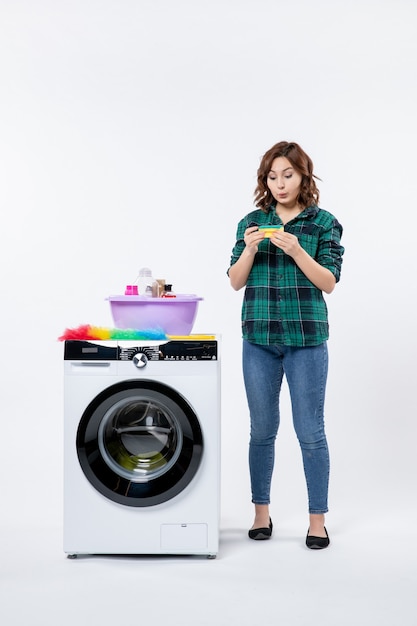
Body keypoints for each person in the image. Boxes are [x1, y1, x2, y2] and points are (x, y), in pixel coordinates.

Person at [227, 141, 344, 549]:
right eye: (272, 176)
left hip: (307, 341)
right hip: (258, 338)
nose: (280, 184)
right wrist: (251, 247)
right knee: (262, 430)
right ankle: (261, 514)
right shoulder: (251, 222)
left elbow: (328, 281)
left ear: (303, 176)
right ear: (266, 180)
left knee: (310, 432)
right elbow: (235, 280)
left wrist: (296, 251)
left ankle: (317, 521)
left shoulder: (323, 223)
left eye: (288, 175)